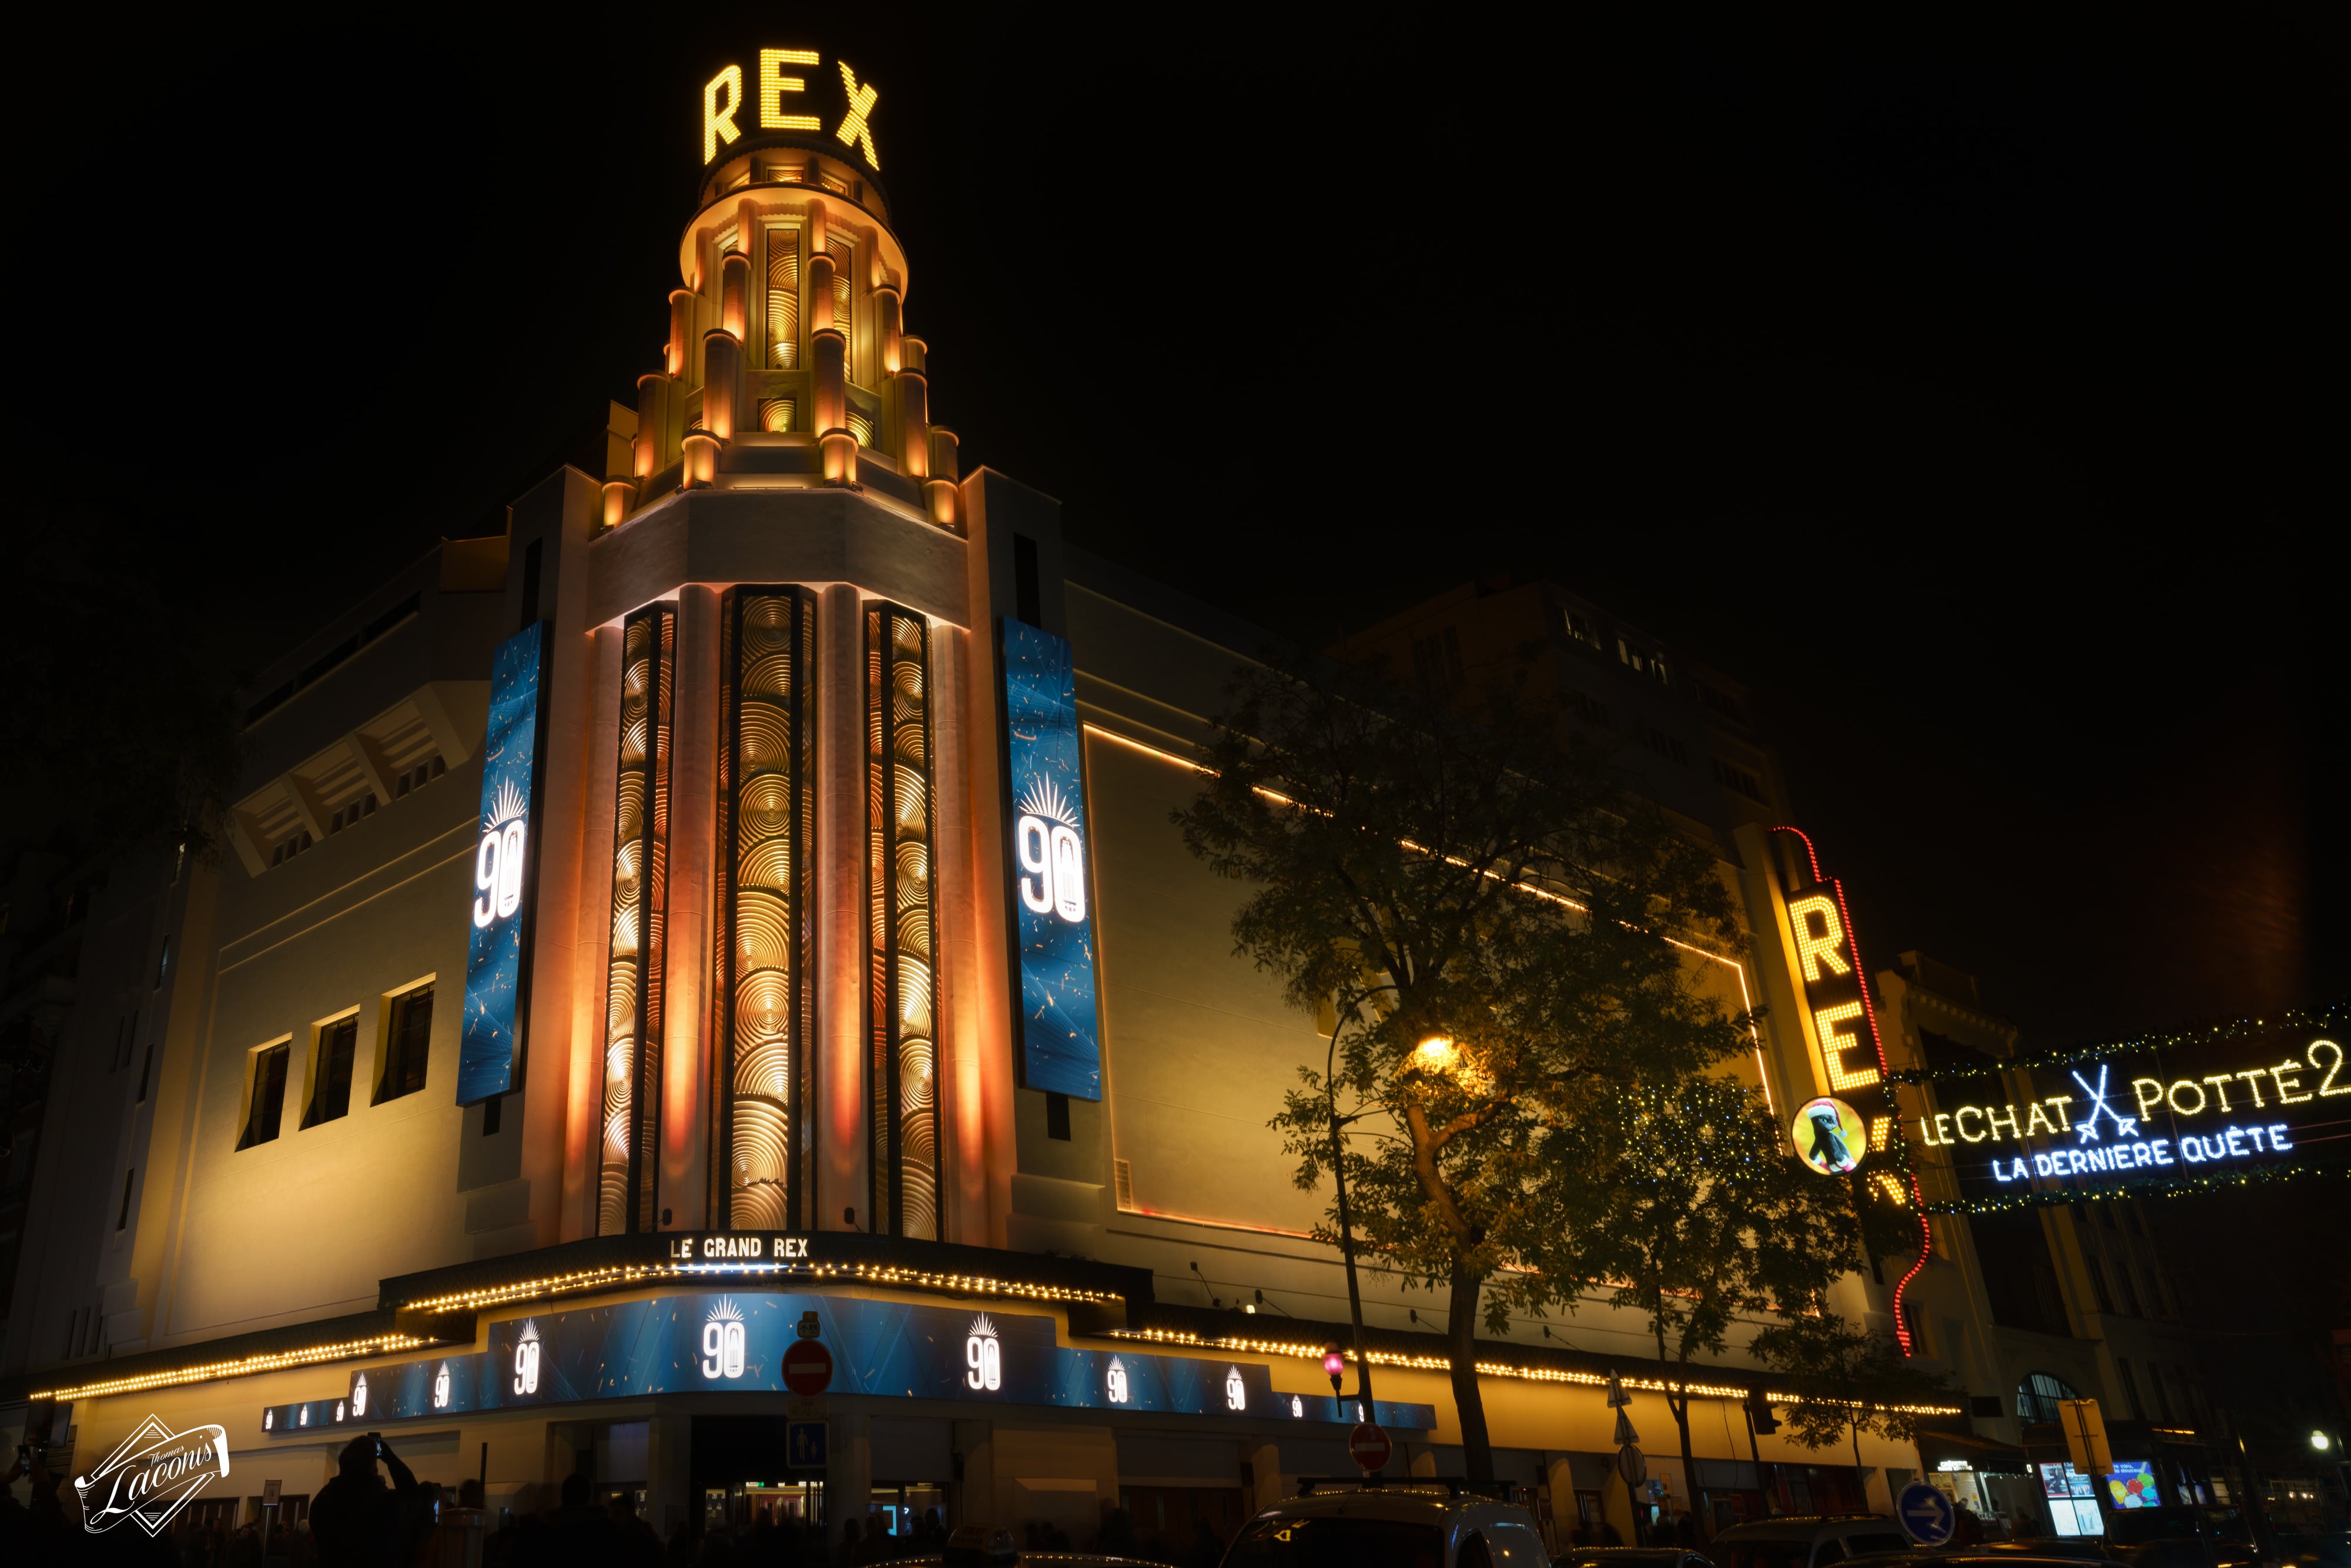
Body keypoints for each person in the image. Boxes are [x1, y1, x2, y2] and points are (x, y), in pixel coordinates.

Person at [311, 1435, 426, 1568]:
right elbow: (413, 1496)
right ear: (374, 1471)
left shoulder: (321, 1503)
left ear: (342, 1466)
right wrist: (391, 1459)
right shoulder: (384, 1503)